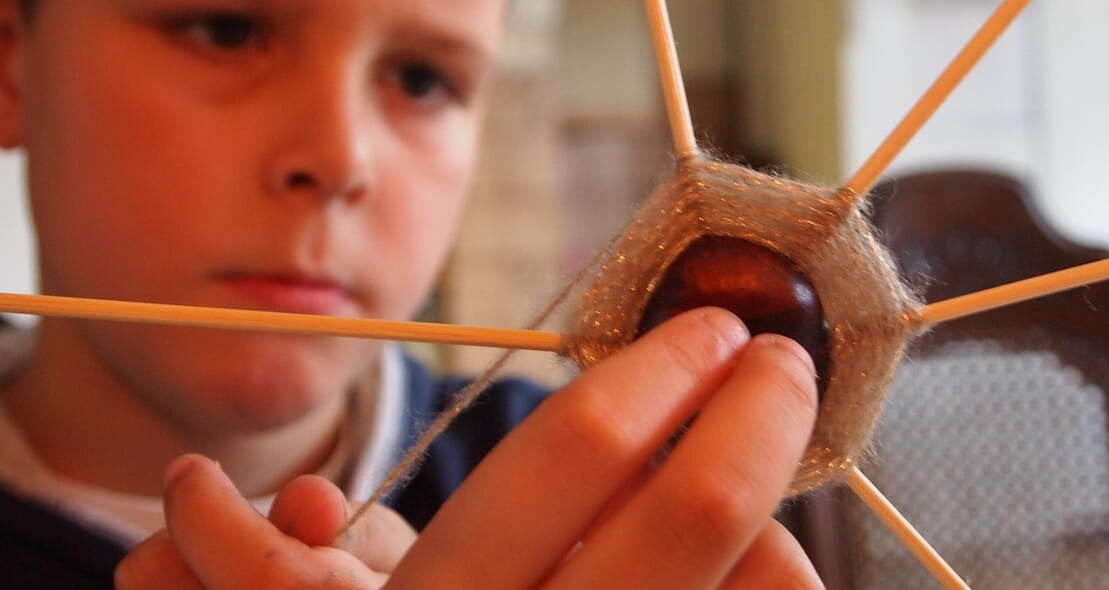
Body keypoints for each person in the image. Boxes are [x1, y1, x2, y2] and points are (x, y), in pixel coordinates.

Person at [0, 0, 824, 587]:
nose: (340, 158)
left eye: (422, 79)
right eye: (228, 30)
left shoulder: (615, 506)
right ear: (11, 64)